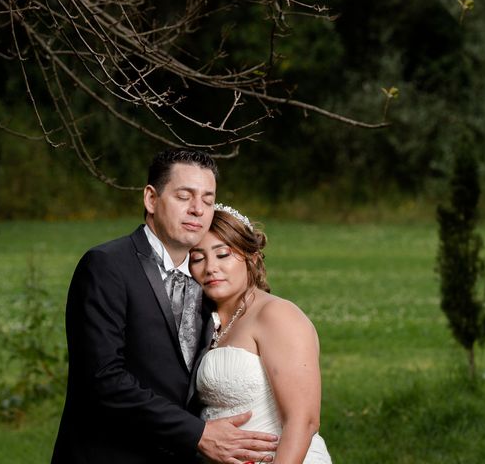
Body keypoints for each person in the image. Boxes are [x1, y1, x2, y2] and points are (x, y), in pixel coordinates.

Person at [51, 150, 278, 464]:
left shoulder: (209, 280)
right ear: (151, 199)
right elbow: (102, 378)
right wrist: (198, 434)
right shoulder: (106, 266)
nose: (197, 210)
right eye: (184, 196)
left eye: (208, 200)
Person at [189, 206, 332, 464]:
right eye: (198, 259)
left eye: (223, 254)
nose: (211, 267)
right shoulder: (205, 322)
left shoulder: (276, 315)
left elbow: (303, 420)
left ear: (251, 258)